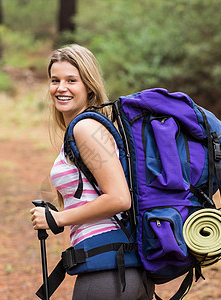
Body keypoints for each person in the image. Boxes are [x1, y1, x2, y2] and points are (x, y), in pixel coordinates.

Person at [30, 44, 154, 299]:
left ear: (88, 85)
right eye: (55, 80)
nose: (61, 88)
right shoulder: (83, 128)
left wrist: (58, 219)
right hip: (119, 271)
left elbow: (119, 198)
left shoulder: (86, 128)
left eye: (71, 80)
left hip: (109, 273)